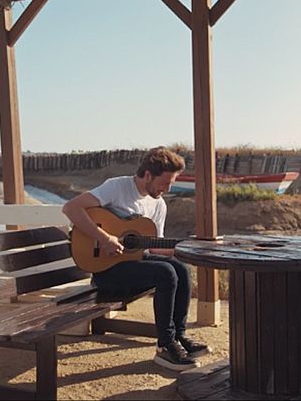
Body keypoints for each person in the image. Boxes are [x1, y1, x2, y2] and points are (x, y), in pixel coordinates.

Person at [61, 146, 209, 371]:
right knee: (165, 273)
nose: (167, 189)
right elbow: (71, 208)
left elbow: (155, 248)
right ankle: (164, 345)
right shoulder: (117, 187)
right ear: (148, 174)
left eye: (171, 183)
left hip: (132, 266)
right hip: (106, 271)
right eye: (164, 182)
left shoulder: (158, 204)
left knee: (181, 269)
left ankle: (178, 337)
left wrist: (188, 247)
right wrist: (104, 237)